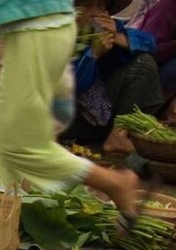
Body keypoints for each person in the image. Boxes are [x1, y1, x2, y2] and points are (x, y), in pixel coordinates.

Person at [0, 0, 142, 218]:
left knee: (17, 142)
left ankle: (114, 183)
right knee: (3, 119)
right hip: (41, 25)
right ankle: (2, 196)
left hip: (40, 27)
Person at [71, 0, 165, 153]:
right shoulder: (58, 37)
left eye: (100, 6)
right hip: (70, 120)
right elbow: (70, 87)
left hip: (103, 115)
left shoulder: (108, 28)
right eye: (87, 6)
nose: (95, 13)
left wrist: (119, 37)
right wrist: (93, 54)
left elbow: (150, 43)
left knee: (144, 63)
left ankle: (118, 135)